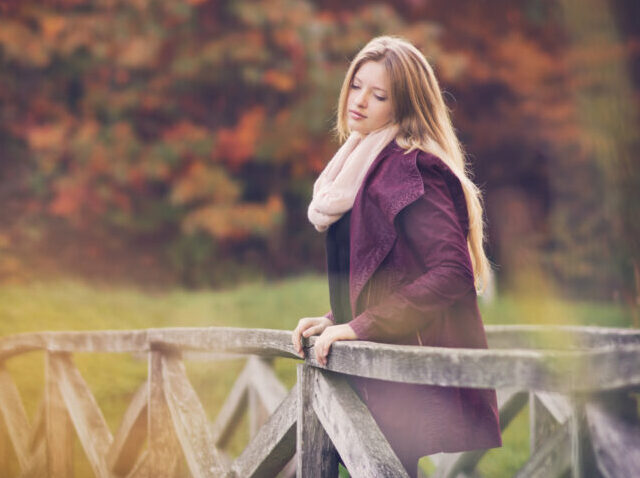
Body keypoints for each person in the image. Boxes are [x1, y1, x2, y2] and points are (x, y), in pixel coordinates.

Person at [291, 35, 502, 477]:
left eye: (379, 94)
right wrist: (336, 319)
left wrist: (360, 326)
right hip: (379, 370)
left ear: (403, 106)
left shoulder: (409, 166)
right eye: (356, 86)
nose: (360, 101)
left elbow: (452, 272)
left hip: (401, 372)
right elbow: (391, 270)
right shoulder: (361, 165)